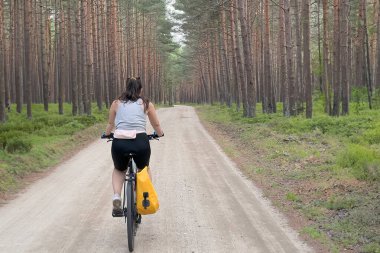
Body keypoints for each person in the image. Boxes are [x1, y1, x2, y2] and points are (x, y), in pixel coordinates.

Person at [104, 77, 164, 215]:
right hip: (140, 142)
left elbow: (110, 124)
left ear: (126, 88)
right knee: (144, 169)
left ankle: (117, 197)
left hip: (120, 143)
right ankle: (143, 195)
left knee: (119, 170)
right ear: (140, 89)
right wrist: (159, 134)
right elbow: (156, 124)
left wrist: (107, 134)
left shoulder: (116, 103)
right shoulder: (146, 104)